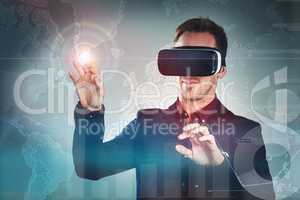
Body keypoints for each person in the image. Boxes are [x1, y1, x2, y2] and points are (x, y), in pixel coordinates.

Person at [69, 17, 275, 199]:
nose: (188, 71)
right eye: (182, 59)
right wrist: (91, 110)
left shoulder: (246, 131)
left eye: (202, 61)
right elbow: (90, 166)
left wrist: (219, 167)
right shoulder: (147, 124)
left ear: (221, 70)